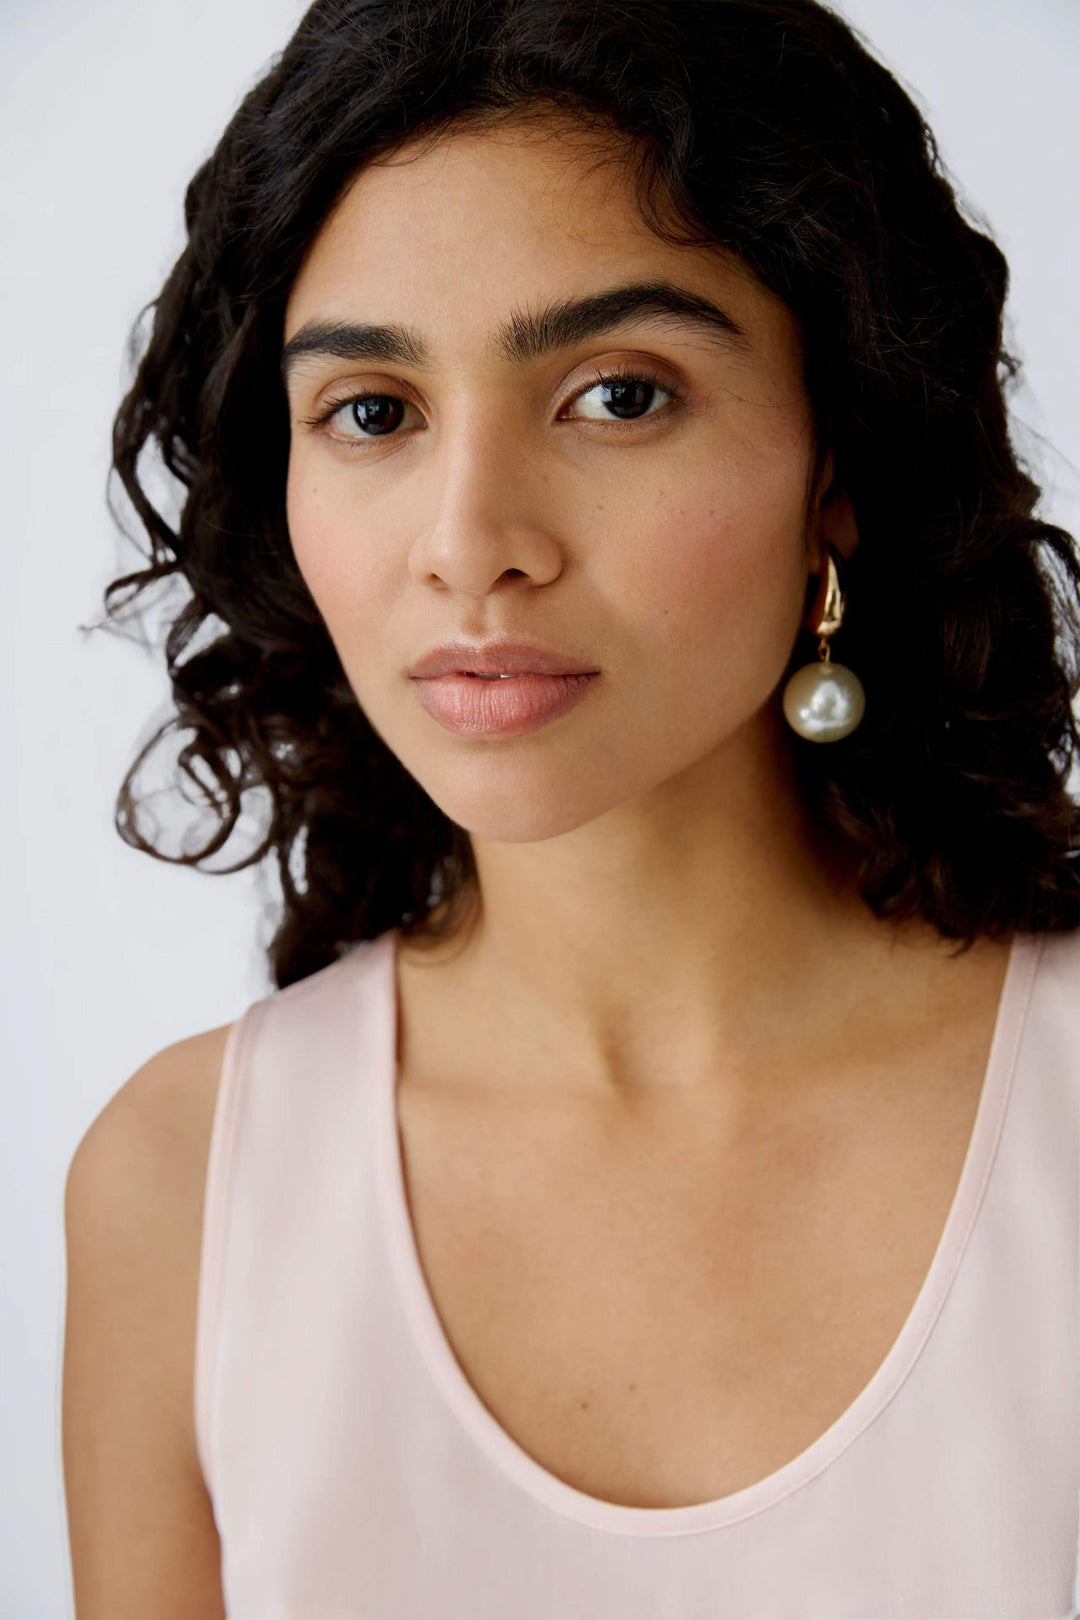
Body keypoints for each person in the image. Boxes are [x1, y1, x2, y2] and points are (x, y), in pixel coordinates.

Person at [61, 0, 1080, 1614]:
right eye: (374, 412)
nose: (471, 543)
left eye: (618, 395)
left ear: (839, 461)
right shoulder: (181, 1189)